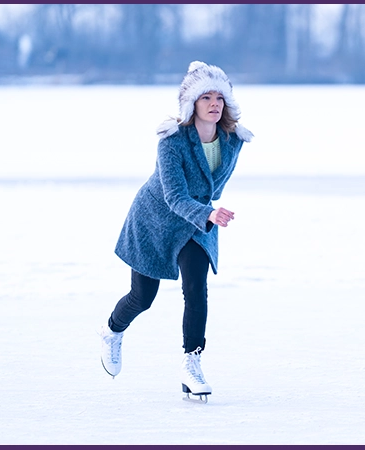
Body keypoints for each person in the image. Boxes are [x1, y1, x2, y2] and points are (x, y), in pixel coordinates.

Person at [99, 61, 253, 400]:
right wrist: (209, 213)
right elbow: (174, 196)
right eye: (206, 97)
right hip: (156, 218)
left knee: (196, 286)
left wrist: (208, 215)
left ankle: (191, 363)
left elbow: (212, 187)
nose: (214, 104)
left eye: (219, 98)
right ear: (191, 104)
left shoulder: (232, 141)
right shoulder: (171, 141)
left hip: (199, 222)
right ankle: (112, 330)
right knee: (143, 298)